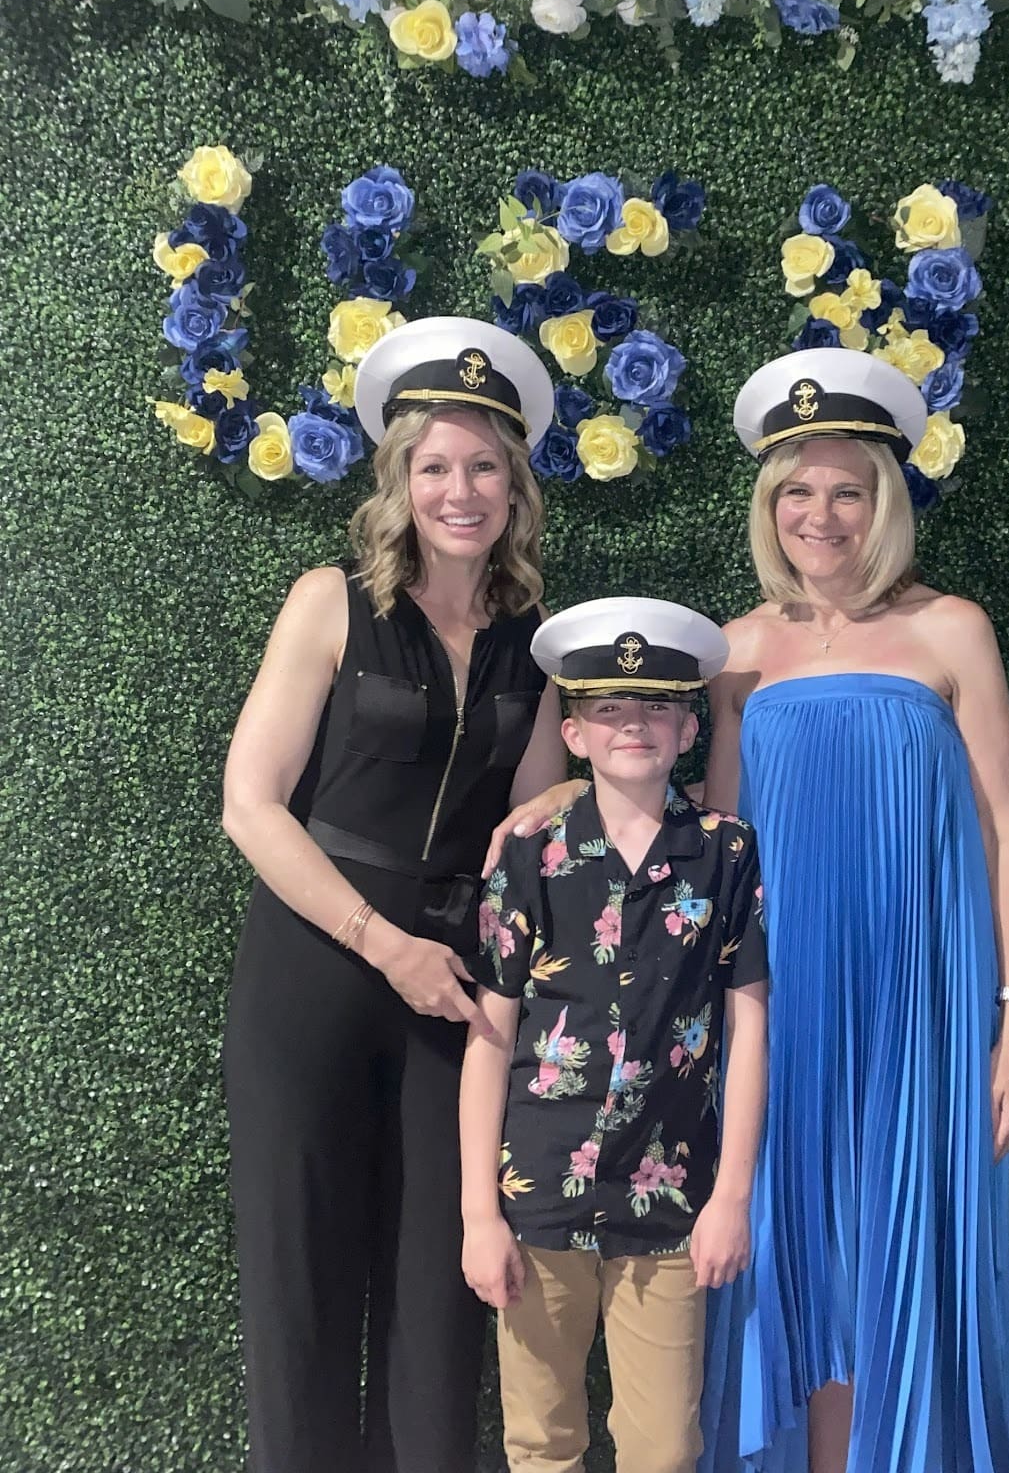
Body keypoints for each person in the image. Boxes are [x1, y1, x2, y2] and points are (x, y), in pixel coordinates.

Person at [494, 349, 1009, 1473]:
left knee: (896, 1250)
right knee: (795, 1248)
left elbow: (1002, 829)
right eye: (797, 491)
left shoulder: (954, 630)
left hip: (919, 1006)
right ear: (767, 504)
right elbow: (704, 834)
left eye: (847, 491)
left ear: (885, 501)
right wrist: (557, 795)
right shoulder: (735, 652)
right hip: (776, 1005)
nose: (819, 516)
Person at [221, 316, 569, 1473]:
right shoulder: (330, 601)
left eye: (484, 467)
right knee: (302, 1281)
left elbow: (533, 811)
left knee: (438, 1288)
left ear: (514, 487)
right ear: (399, 479)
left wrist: (580, 794)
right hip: (315, 969)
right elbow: (251, 804)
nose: (459, 491)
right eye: (434, 466)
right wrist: (383, 942)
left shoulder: (534, 640)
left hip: (455, 986)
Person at [460, 598, 770, 1473]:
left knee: (664, 1448)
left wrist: (732, 1197)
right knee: (542, 1442)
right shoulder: (531, 856)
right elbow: (489, 1038)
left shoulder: (726, 853)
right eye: (608, 708)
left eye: (657, 707)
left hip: (668, 1202)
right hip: (537, 1196)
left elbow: (749, 1029)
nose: (633, 723)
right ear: (573, 733)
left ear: (687, 729)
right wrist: (477, 1214)